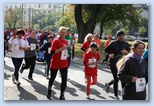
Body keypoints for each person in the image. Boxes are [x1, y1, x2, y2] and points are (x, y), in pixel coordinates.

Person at [104, 30, 130, 99]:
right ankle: (116, 95)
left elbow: (130, 53)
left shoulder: (126, 44)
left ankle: (123, 94)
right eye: (120, 35)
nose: (121, 37)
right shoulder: (113, 43)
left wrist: (126, 52)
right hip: (114, 63)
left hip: (123, 64)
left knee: (123, 79)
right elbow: (106, 50)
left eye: (122, 35)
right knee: (116, 78)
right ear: (117, 36)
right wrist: (109, 54)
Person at [47, 26, 68, 100]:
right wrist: (62, 48)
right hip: (55, 62)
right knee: (52, 78)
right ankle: (49, 91)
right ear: (59, 32)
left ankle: (62, 94)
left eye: (64, 33)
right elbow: (52, 52)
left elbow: (64, 51)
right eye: (62, 32)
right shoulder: (56, 41)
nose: (63, 34)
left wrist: (66, 54)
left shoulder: (66, 41)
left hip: (63, 63)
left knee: (64, 79)